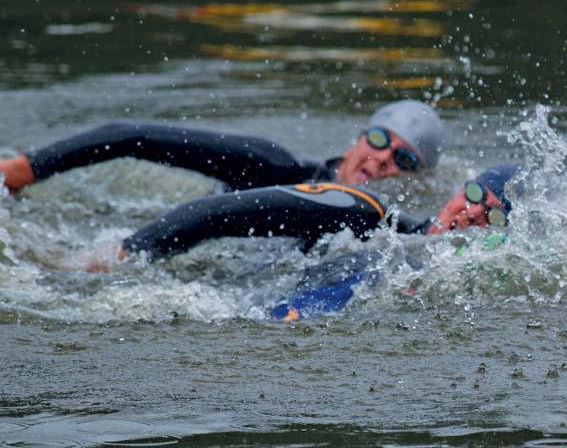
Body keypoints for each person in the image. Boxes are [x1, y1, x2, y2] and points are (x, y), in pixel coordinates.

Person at [94, 164, 521, 320]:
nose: (471, 214)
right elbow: (208, 213)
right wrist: (120, 256)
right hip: (211, 306)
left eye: (494, 216)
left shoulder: (464, 285)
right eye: (474, 196)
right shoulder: (366, 210)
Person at [0, 99, 443, 192]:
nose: (383, 158)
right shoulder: (272, 168)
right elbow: (130, 135)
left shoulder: (391, 240)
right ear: (356, 140)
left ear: (416, 181)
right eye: (380, 140)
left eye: (403, 158)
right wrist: (24, 170)